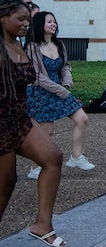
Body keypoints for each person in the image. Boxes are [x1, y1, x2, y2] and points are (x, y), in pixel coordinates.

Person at [0, 0, 65, 247]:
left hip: (20, 118)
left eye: (28, 19)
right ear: (3, 19)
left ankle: (42, 224)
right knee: (6, 182)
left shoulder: (17, 45)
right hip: (1, 122)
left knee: (53, 157)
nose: (26, 24)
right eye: (20, 19)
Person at [25, 11, 94, 174]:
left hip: (60, 90)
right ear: (40, 24)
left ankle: (76, 157)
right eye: (49, 22)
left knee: (82, 119)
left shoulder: (59, 44)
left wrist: (67, 81)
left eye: (54, 21)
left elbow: (65, 65)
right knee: (46, 131)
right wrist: (60, 89)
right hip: (40, 92)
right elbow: (35, 76)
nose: (53, 24)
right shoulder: (32, 47)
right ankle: (35, 168)